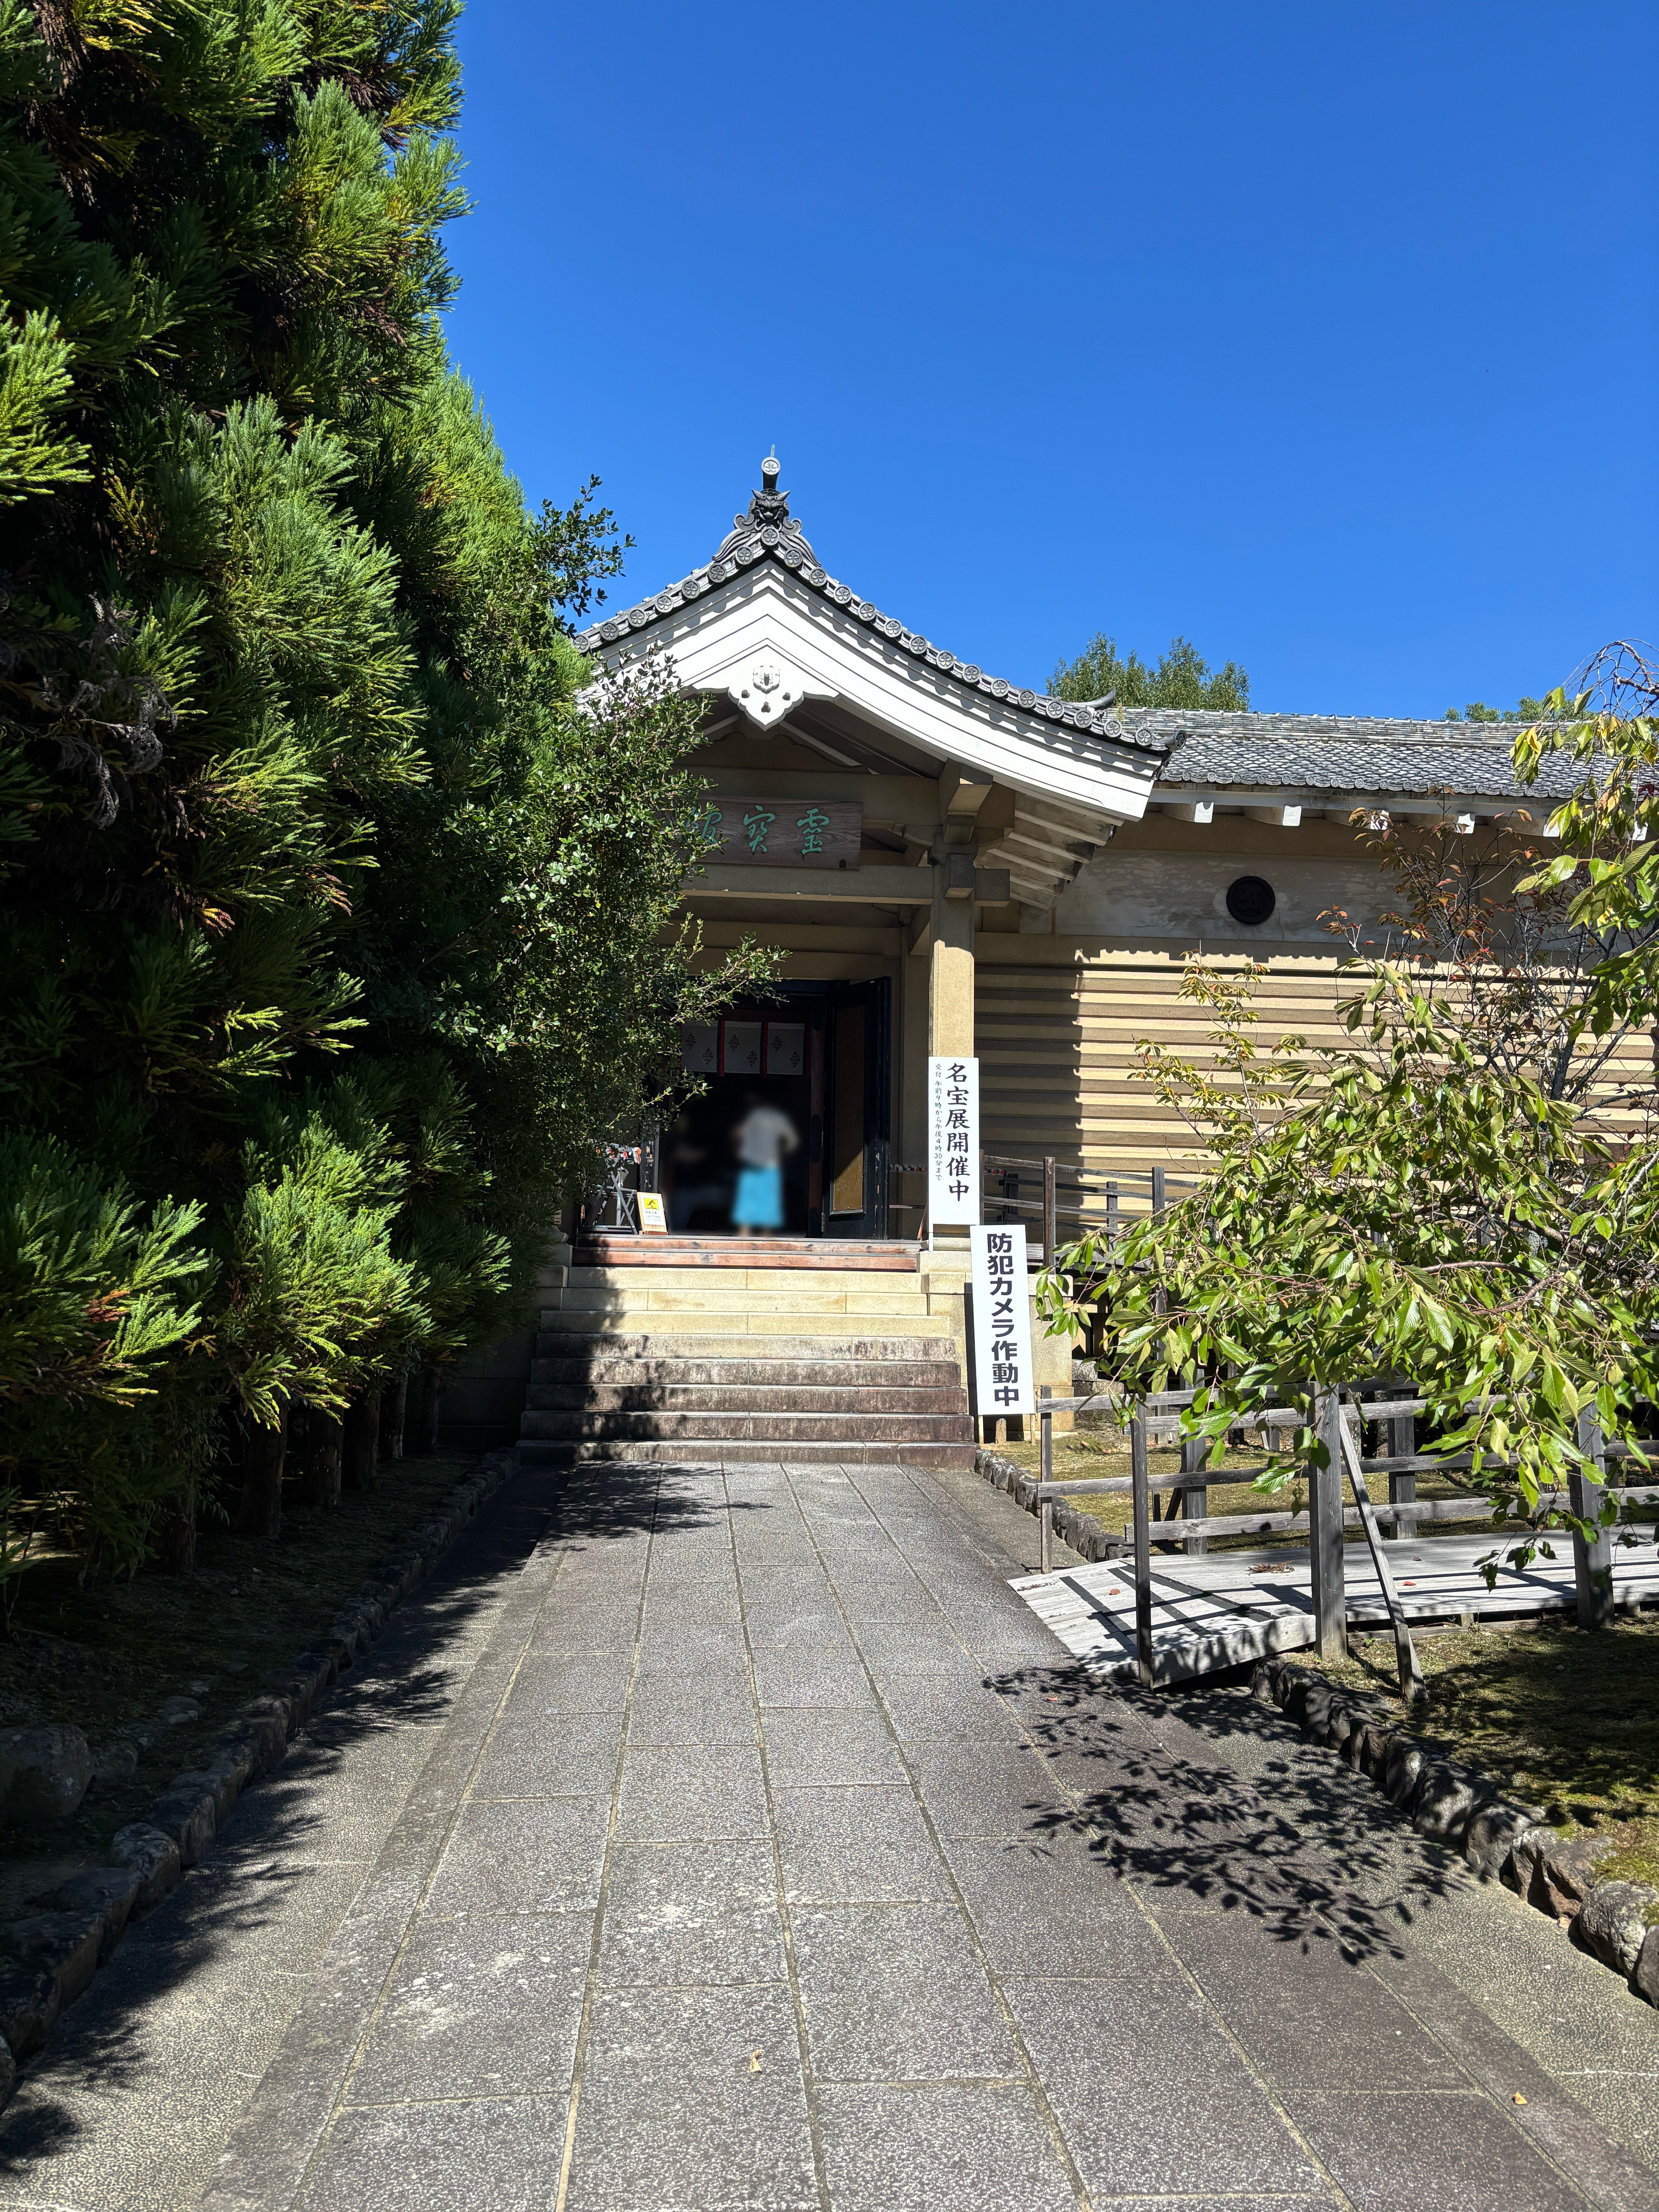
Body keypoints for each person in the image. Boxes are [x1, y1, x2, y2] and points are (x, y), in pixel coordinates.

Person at [730, 1092, 800, 1235]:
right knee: (762, 1201)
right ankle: (760, 1236)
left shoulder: (762, 1117)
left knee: (755, 1200)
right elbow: (792, 1141)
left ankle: (749, 1236)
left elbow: (738, 1134)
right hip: (762, 1164)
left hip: (761, 1164)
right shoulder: (766, 1117)